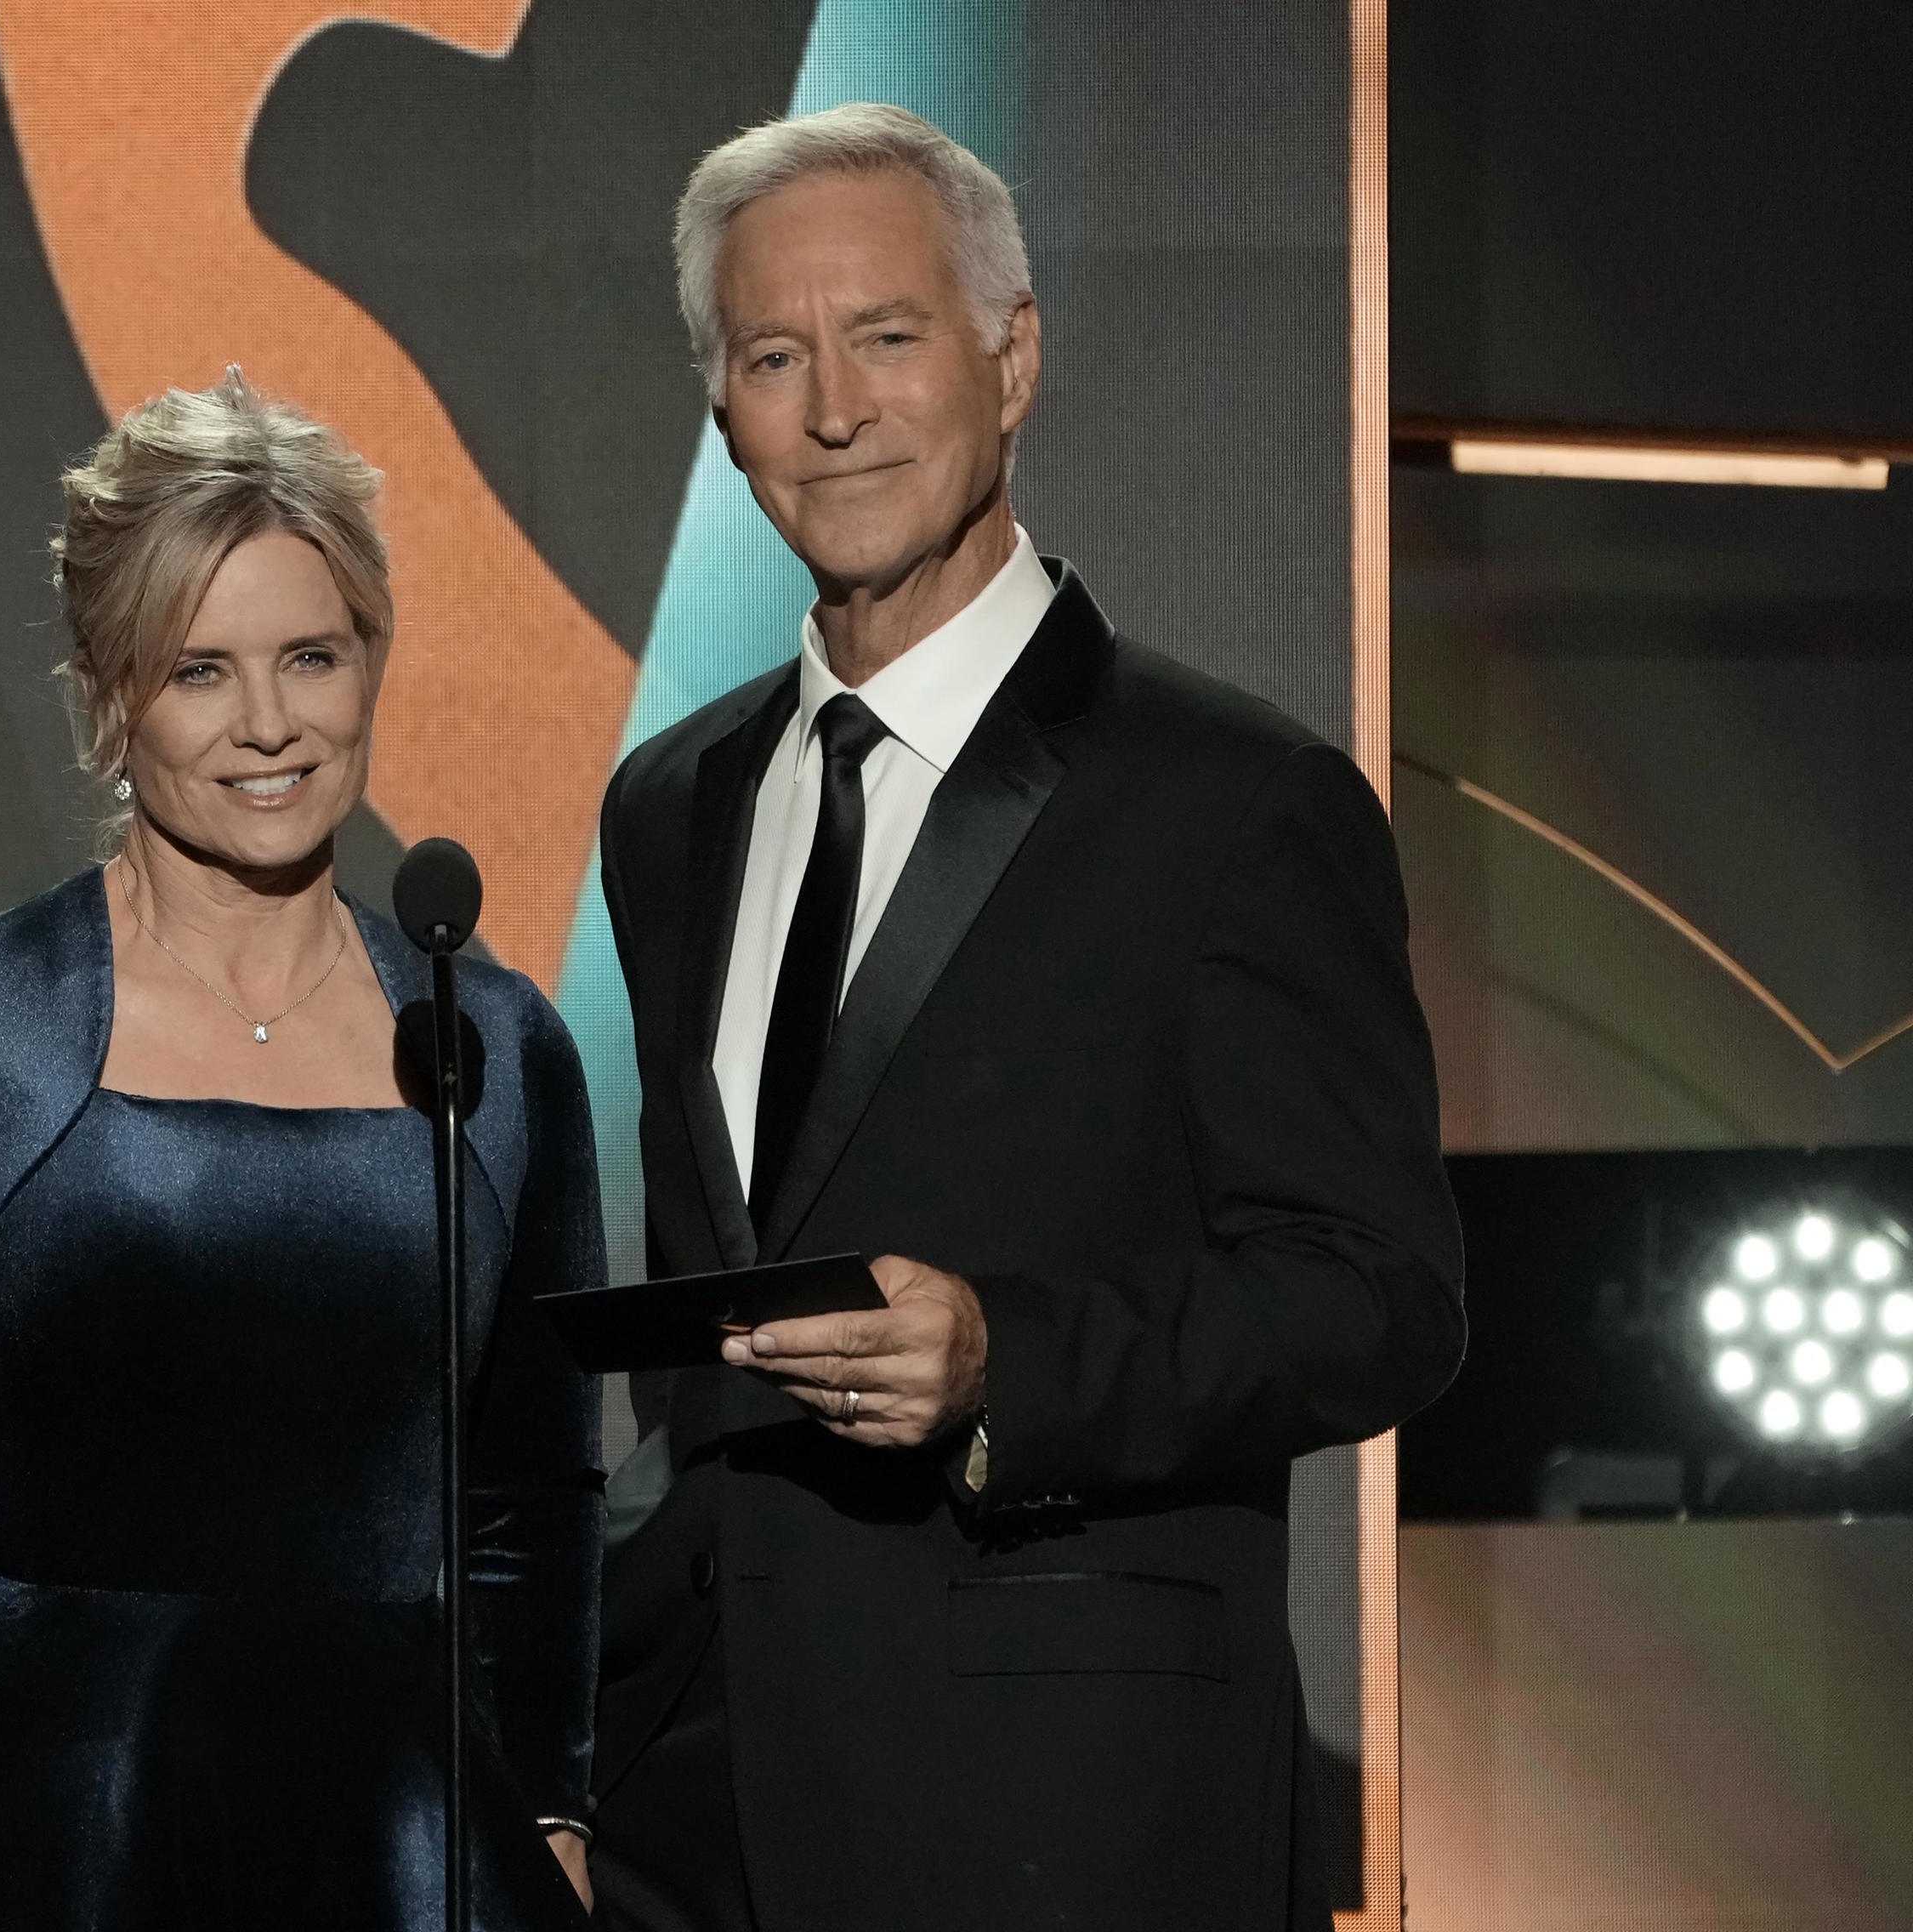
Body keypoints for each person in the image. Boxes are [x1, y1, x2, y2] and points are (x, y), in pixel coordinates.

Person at [587, 105, 1467, 1931]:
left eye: (888, 335)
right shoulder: (670, 804)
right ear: (720, 409)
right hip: (705, 1812)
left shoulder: (1238, 800)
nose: (834, 405)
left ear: (1014, 358)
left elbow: (1379, 1298)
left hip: (1075, 1819)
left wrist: (1013, 1363)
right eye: (773, 355)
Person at [0, 370, 604, 1931]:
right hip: (21, 1820)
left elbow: (533, 1504)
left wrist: (552, 1821)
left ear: (371, 665)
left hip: (391, 1832)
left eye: (311, 657)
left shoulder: (496, 1045)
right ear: (113, 696)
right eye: (200, 670)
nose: (269, 724)